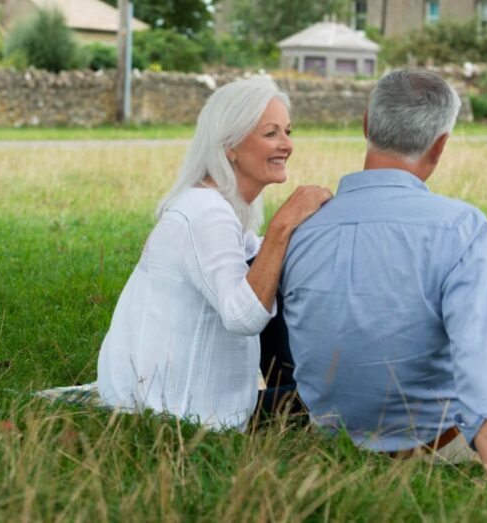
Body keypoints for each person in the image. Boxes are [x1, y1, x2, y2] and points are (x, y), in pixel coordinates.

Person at [280, 69, 487, 490]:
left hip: (334, 440)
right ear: (440, 145)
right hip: (439, 445)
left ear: (367, 124)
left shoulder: (302, 226)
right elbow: (479, 362)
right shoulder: (461, 226)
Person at [96, 77, 331, 431]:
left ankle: (301, 385)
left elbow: (259, 262)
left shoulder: (216, 205)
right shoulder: (207, 212)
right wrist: (283, 225)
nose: (287, 144)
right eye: (271, 133)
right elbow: (243, 317)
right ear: (229, 146)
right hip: (182, 412)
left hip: (174, 400)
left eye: (287, 131)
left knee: (275, 263)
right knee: (335, 400)